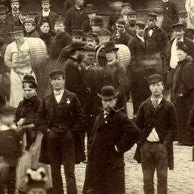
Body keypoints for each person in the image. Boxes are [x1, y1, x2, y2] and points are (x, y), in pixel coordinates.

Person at [36, 64, 85, 194]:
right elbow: (39, 119)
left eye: (60, 79)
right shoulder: (46, 99)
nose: (57, 82)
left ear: (64, 80)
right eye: (54, 79)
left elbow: (80, 118)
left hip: (68, 139)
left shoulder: (72, 97)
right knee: (55, 171)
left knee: (70, 171)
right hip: (52, 139)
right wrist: (47, 131)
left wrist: (71, 131)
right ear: (51, 82)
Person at [84, 83, 139, 194]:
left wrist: (119, 147)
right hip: (96, 164)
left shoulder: (120, 117)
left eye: (110, 100)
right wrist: (90, 149)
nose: (107, 103)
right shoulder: (99, 117)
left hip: (112, 164)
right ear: (101, 101)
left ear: (115, 101)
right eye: (105, 101)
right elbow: (92, 136)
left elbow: (135, 132)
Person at [134, 73, 177, 194]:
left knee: (162, 178)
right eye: (153, 85)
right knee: (147, 179)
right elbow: (137, 126)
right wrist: (141, 144)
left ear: (163, 86)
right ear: (149, 88)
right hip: (146, 147)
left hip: (162, 147)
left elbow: (174, 129)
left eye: (158, 85)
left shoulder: (169, 106)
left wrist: (165, 143)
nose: (156, 88)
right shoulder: (144, 105)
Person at [170, 41, 194, 146]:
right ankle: (182, 138)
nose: (179, 56)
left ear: (186, 54)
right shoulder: (181, 64)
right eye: (177, 54)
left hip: (187, 97)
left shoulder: (188, 65)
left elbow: (188, 82)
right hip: (182, 95)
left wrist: (181, 93)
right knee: (181, 117)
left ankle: (188, 140)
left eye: (180, 54)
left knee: (187, 117)